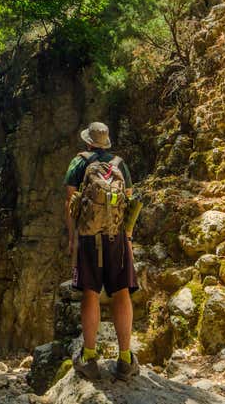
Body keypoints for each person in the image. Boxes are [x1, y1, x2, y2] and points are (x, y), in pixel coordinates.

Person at [63, 121, 140, 381]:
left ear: (88, 142)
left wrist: (72, 238)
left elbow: (70, 202)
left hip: (88, 237)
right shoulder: (120, 165)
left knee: (91, 293)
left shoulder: (79, 163)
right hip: (117, 237)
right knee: (121, 292)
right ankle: (126, 359)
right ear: (106, 142)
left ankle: (89, 356)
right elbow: (129, 201)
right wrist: (128, 238)